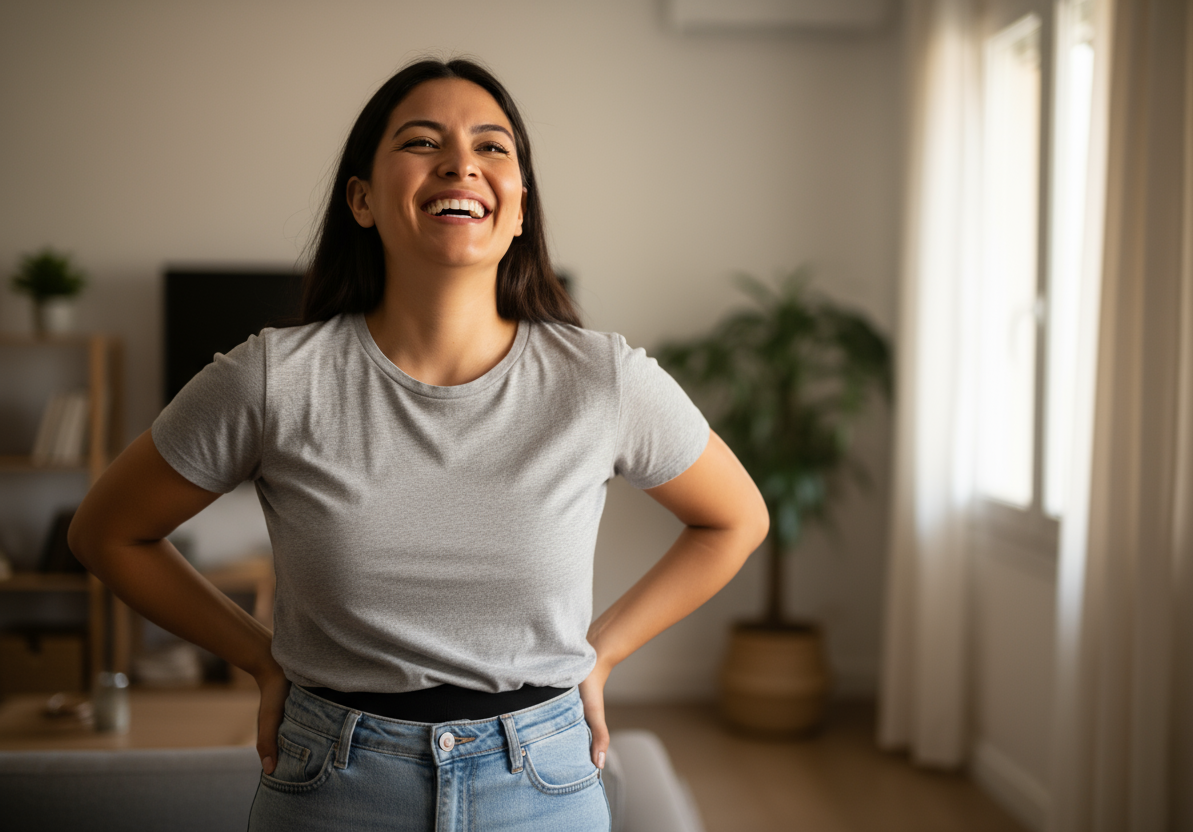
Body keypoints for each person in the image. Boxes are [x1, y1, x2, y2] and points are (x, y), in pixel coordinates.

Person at [69, 57, 768, 831]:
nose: (461, 162)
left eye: (493, 146)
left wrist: (605, 651)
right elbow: (107, 531)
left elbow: (736, 519)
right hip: (332, 783)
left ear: (521, 207)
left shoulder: (602, 380)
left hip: (542, 784)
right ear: (362, 200)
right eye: (422, 141)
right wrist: (261, 655)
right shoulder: (272, 378)